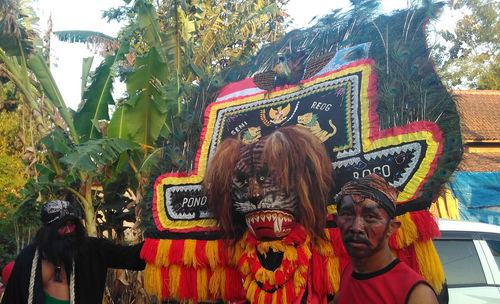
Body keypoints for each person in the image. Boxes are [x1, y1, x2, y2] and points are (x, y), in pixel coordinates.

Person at [1, 200, 145, 304]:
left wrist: (161, 241)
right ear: (48, 231)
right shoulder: (29, 258)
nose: (69, 231)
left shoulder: (92, 250)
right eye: (63, 226)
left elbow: (130, 256)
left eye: (72, 224)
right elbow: (11, 298)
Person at [333, 174, 438, 304]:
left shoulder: (417, 295)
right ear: (337, 222)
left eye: (370, 216)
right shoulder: (350, 271)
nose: (356, 227)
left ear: (391, 228)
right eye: (347, 214)